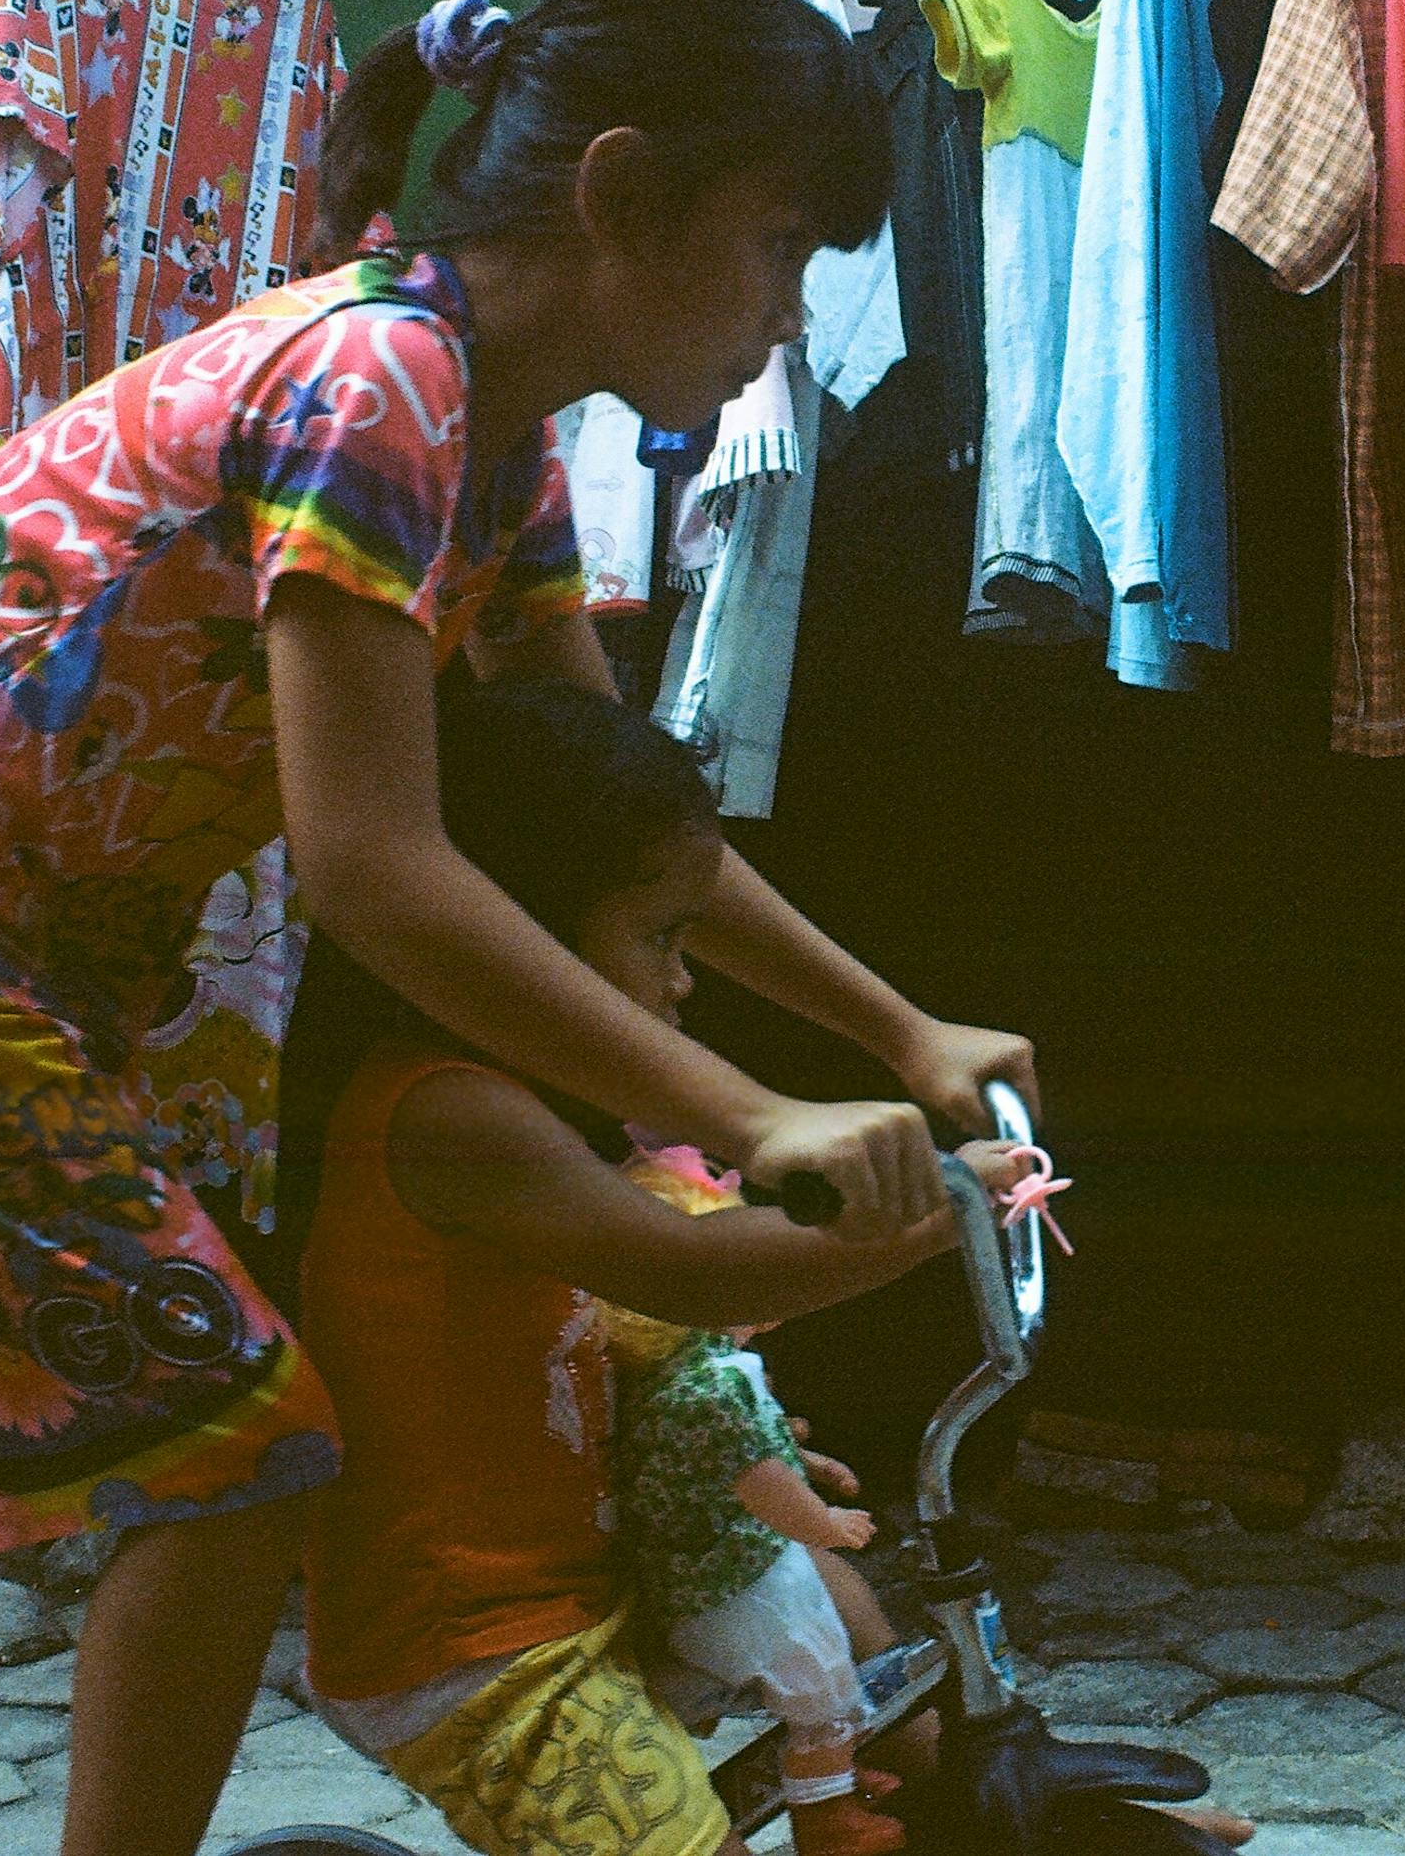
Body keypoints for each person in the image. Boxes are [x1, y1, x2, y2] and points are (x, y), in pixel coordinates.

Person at [0, 0, 1037, 1856]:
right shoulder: (378, 385)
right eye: (781, 244)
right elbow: (378, 870)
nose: (790, 314)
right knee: (229, 1454)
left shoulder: (487, 442)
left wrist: (895, 1031)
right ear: (621, 195)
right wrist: (747, 1111)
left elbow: (619, 829)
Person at [286, 677, 982, 1856]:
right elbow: (689, 1274)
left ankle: (930, 1796)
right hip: (480, 1646)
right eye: (661, 938)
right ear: (528, 937)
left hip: (593, 1577)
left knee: (858, 1642)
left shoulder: (536, 1108)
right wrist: (950, 1209)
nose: (684, 979)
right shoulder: (446, 1116)